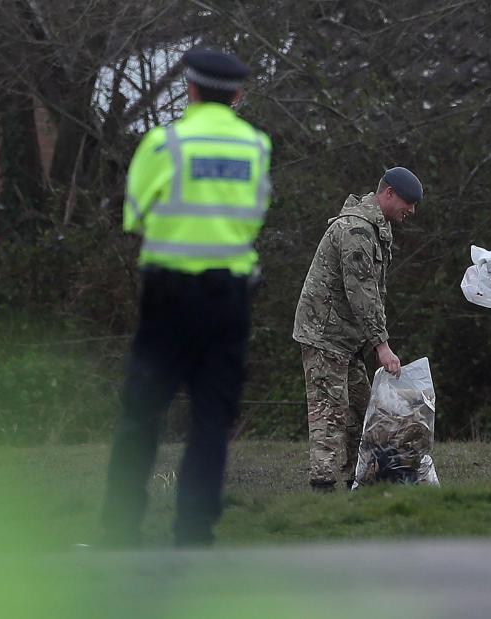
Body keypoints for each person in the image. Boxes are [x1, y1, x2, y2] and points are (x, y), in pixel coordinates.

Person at [100, 47, 272, 546]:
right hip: (230, 296)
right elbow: (256, 214)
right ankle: (195, 533)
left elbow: (134, 213)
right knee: (212, 415)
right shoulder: (256, 147)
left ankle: (119, 528)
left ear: (190, 90)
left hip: (168, 295)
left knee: (141, 412)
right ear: (237, 95)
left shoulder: (163, 144)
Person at [293, 167, 422, 492]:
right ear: (388, 193)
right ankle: (322, 488)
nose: (411, 211)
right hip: (324, 337)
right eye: (408, 202)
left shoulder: (372, 228)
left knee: (362, 410)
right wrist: (382, 346)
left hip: (345, 340)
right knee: (329, 411)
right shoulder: (356, 231)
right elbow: (361, 291)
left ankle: (359, 479)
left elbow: (371, 295)